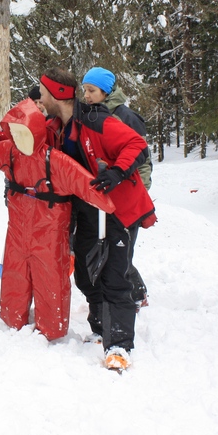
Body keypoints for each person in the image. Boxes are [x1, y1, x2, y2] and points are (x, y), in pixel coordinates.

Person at [29, 68, 155, 370]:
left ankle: (119, 345)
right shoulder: (57, 126)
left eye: (43, 92)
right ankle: (101, 329)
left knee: (114, 276)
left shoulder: (96, 121)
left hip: (119, 208)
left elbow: (137, 145)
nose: (39, 98)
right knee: (86, 274)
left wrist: (116, 171)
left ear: (58, 93)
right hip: (87, 209)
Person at [0, 99, 117, 341]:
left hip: (49, 234)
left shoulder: (56, 162)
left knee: (50, 280)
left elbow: (86, 186)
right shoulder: (9, 152)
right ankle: (13, 320)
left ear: (36, 132)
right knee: (14, 275)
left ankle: (51, 330)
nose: (19, 140)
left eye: (24, 133)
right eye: (15, 133)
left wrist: (106, 192)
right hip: (18, 231)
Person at [81, 67, 151, 310]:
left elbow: (142, 156)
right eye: (85, 90)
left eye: (91, 90)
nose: (86, 96)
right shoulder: (90, 116)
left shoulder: (125, 117)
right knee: (108, 250)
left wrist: (138, 189)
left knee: (121, 252)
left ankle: (136, 294)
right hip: (105, 192)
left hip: (126, 193)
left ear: (106, 91)